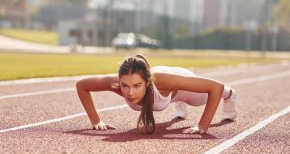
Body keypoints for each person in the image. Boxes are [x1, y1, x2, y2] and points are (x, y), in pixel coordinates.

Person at [76, 54, 237, 134]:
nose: (130, 92)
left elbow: (215, 87)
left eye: (137, 86)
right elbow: (82, 86)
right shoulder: (117, 84)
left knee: (200, 100)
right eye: (125, 86)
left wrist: (202, 126)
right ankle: (177, 102)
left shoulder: (160, 81)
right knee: (171, 97)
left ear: (147, 82)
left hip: (180, 83)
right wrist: (96, 120)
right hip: (169, 86)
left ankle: (230, 95)